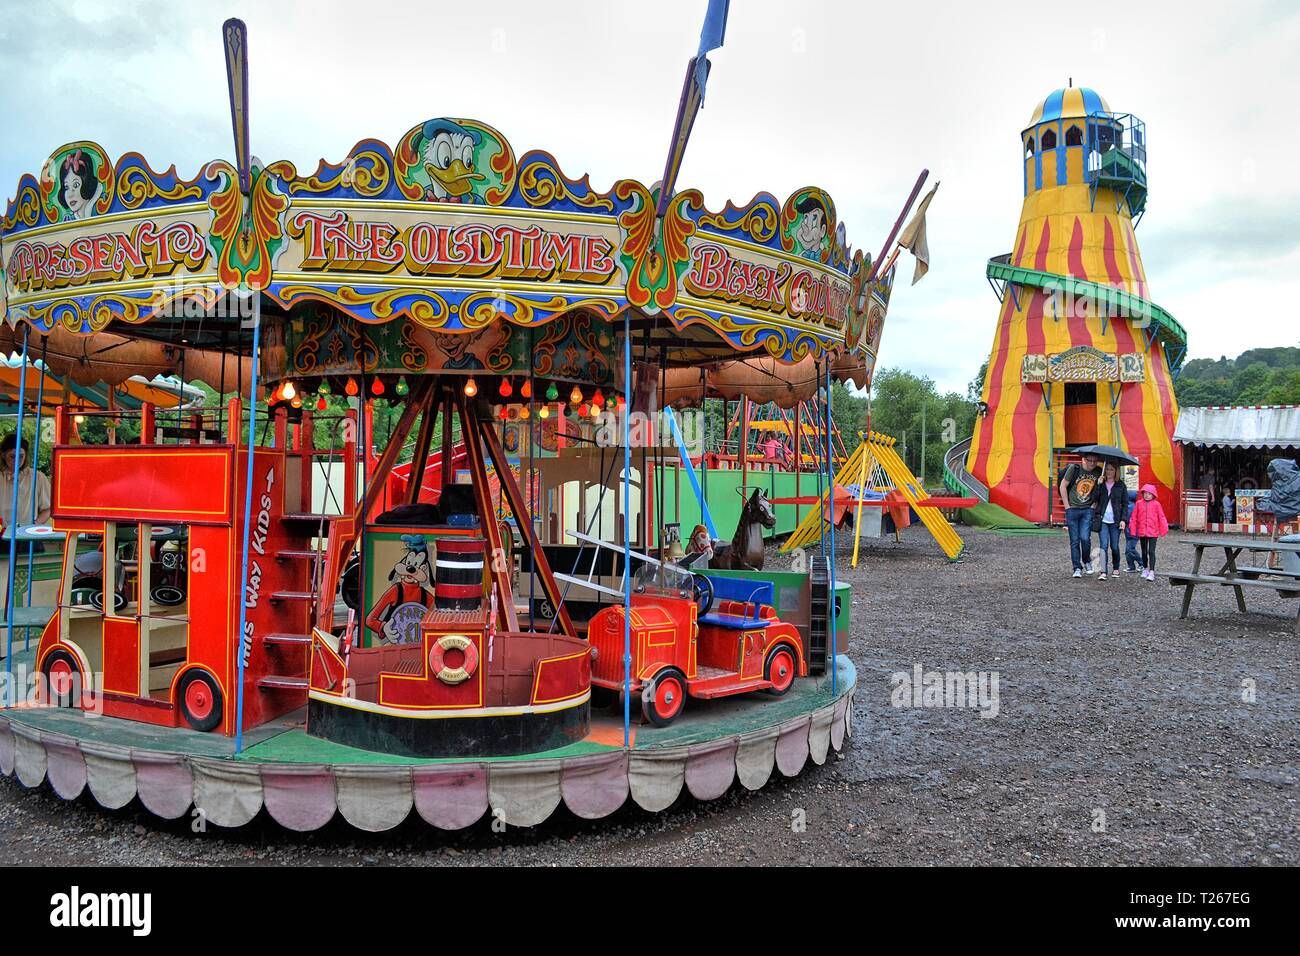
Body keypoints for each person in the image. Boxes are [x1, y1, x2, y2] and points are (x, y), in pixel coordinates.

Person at [1059, 451, 1102, 578]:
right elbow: (1063, 486)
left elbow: (1100, 491)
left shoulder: (1099, 472)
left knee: (1085, 538)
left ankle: (1087, 560)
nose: (1092, 463)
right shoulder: (1074, 469)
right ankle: (1077, 567)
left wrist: (1094, 505)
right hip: (1072, 509)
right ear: (1084, 460)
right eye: (1090, 460)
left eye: (1095, 461)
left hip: (1087, 509)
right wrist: (1067, 506)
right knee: (1074, 540)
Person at [0, 432, 51, 530]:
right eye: (12, 456)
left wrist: (34, 526)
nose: (17, 460)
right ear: (3, 455)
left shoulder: (37, 477)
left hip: (28, 535)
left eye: (21, 456)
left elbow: (48, 509)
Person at [1092, 461, 1129, 580]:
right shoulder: (1101, 484)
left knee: (1114, 546)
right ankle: (1103, 571)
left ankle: (1116, 568)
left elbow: (1125, 504)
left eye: (1111, 469)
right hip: (1102, 520)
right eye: (1107, 469)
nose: (1109, 472)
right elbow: (1094, 498)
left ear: (1116, 471)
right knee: (1103, 545)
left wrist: (1123, 520)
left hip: (1115, 521)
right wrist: (1097, 484)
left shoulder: (1121, 485)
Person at [1130, 484, 1169, 581]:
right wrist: (1133, 530)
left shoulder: (1156, 504)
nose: (1147, 495)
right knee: (1144, 551)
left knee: (1151, 551)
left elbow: (1161, 517)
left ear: (1153, 495)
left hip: (1153, 532)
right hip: (1142, 531)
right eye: (1145, 493)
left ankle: (1152, 571)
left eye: (1149, 494)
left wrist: (1163, 529)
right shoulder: (1139, 504)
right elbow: (1134, 517)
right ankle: (1145, 568)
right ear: (1142, 494)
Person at [1123, 485, 1141, 573]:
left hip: (1133, 531)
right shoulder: (1135, 505)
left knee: (1129, 549)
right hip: (1131, 531)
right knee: (1128, 549)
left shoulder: (1129, 507)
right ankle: (1131, 566)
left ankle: (1141, 563)